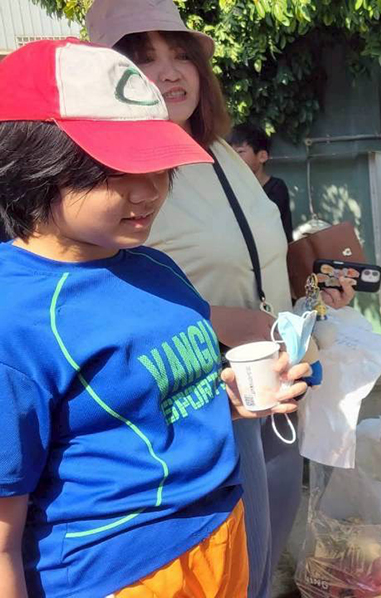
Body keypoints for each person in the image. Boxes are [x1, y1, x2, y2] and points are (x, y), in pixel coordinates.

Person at [0, 39, 308, 597]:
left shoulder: (155, 266)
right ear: (32, 168)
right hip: (122, 572)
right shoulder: (15, 318)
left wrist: (229, 400)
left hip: (221, 536)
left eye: (158, 165)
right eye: (114, 170)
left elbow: (152, 404)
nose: (148, 191)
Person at [86, 2, 355, 595]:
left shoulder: (219, 151)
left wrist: (314, 284)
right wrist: (219, 320)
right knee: (235, 564)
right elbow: (99, 289)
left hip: (274, 378)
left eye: (180, 54)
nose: (170, 71)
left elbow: (252, 257)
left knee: (269, 546)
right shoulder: (109, 172)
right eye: (143, 58)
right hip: (203, 394)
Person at [230, 123, 294, 241]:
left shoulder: (276, 188)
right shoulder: (230, 189)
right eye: (230, 154)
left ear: (262, 156)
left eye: (240, 152)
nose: (233, 159)